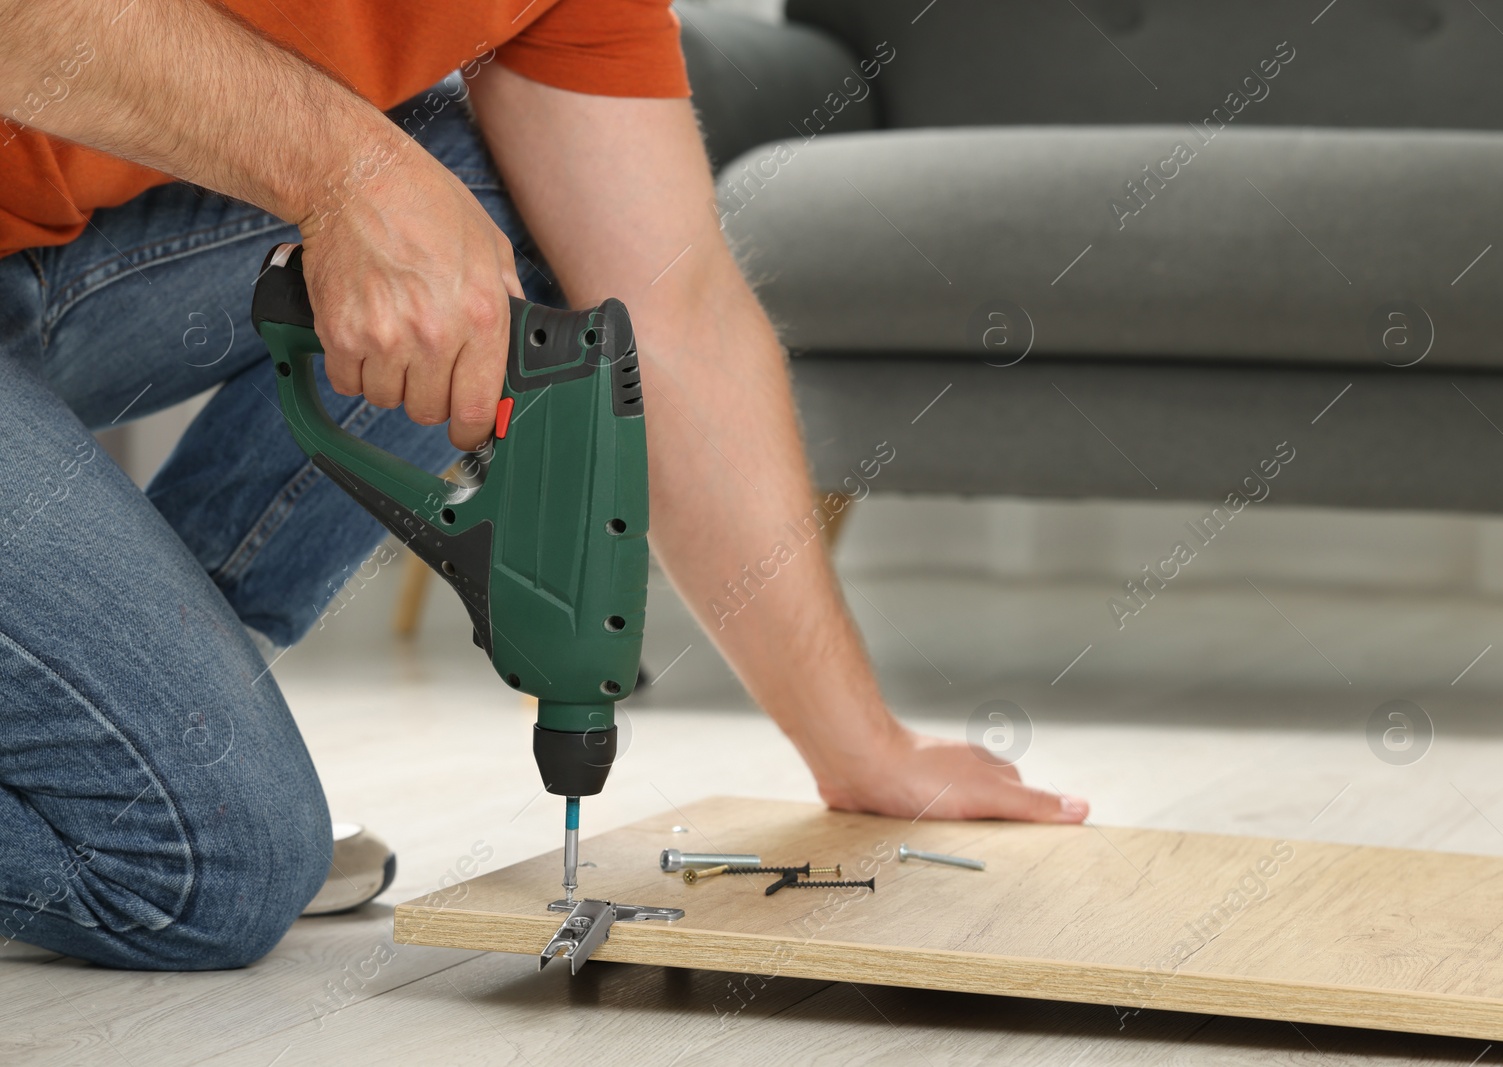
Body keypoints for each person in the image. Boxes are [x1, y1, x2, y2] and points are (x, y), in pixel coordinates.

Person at [0, 0, 1088, 970]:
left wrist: (857, 743)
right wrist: (347, 175)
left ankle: (129, 735)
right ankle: (165, 790)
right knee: (207, 869)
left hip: (52, 266)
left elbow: (675, 313)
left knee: (516, 213)